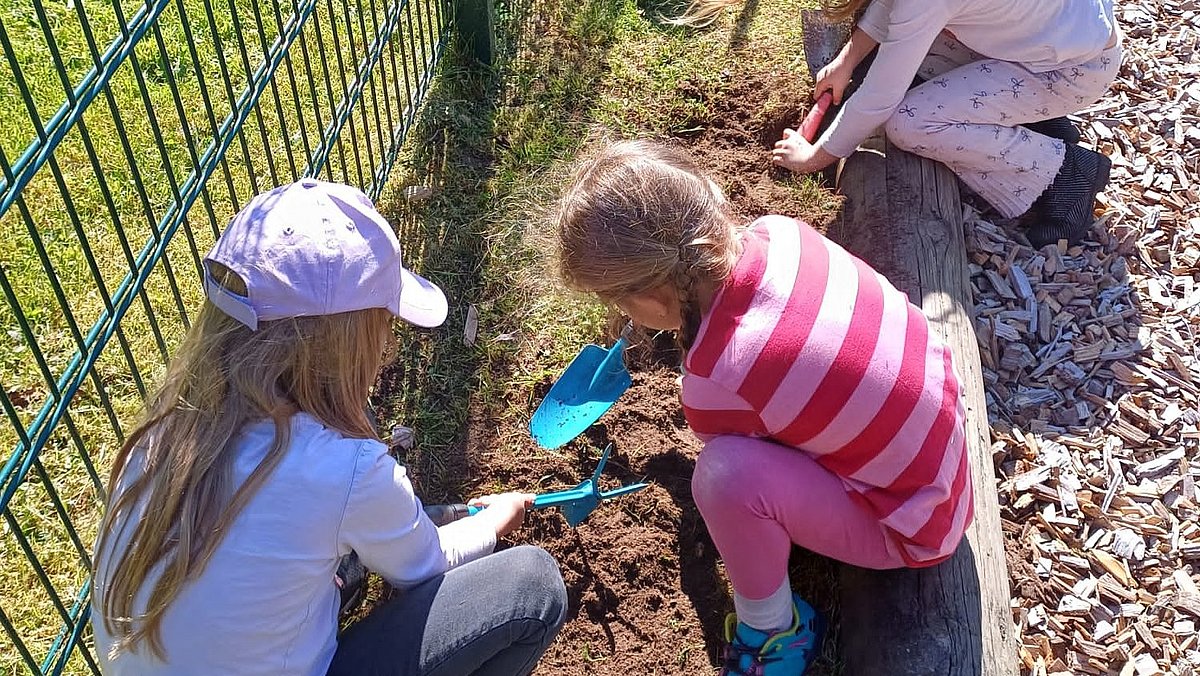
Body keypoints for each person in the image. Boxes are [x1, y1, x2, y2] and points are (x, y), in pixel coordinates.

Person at [91, 179, 567, 676]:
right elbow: (425, 566)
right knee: (531, 589)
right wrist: (496, 518)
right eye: (384, 325)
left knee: (345, 559)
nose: (387, 345)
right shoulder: (344, 467)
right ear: (346, 344)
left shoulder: (165, 432)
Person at [555, 141, 973, 675]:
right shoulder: (781, 233)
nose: (617, 314)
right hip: (940, 446)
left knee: (726, 479)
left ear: (653, 298)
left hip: (914, 525)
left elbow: (740, 460)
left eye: (615, 302)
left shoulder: (716, 379)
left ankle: (772, 631)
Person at [680, 0, 1121, 249]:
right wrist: (845, 61)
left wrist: (816, 155)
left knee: (911, 122)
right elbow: (891, 9)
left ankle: (1064, 171)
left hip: (1066, 70)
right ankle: (1038, 123)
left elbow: (880, 99)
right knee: (895, 59)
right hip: (1046, 40)